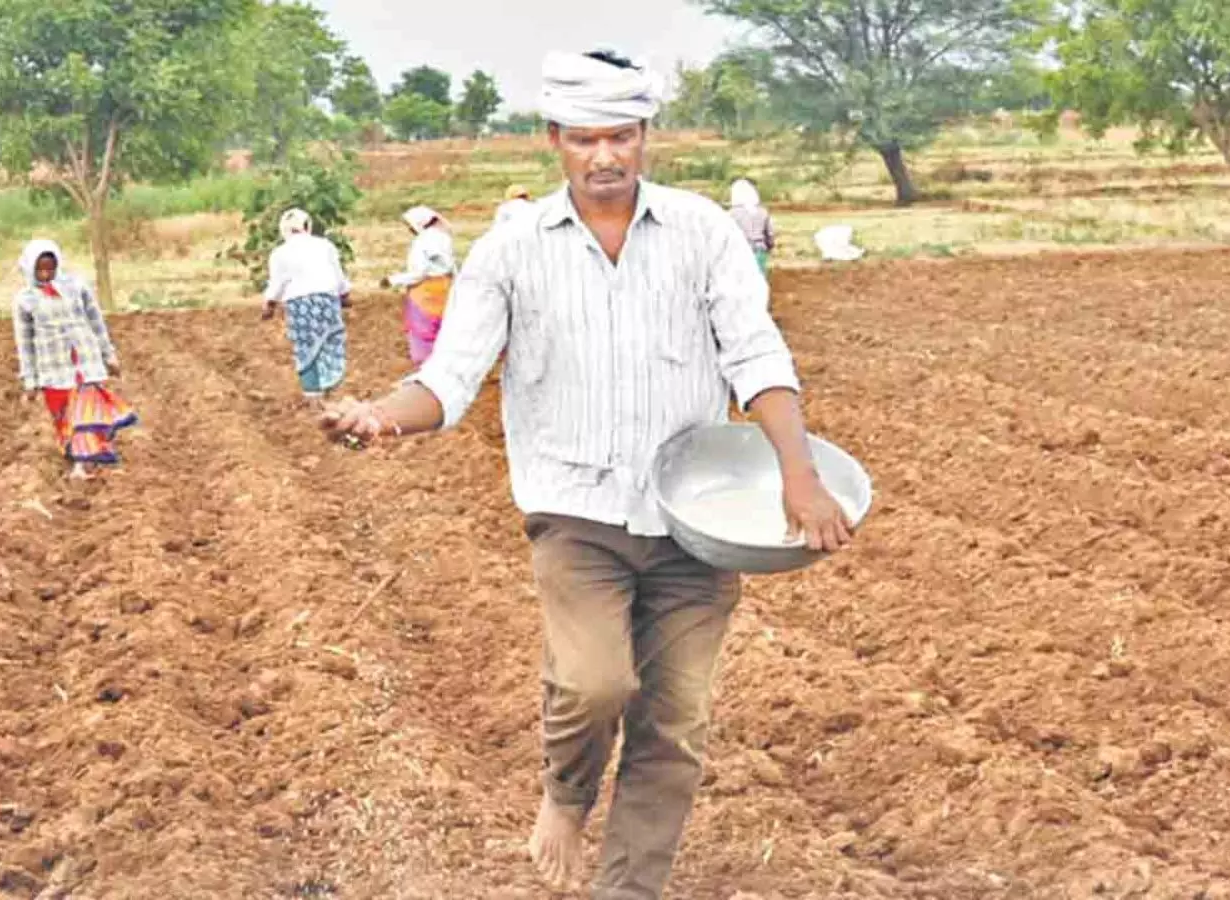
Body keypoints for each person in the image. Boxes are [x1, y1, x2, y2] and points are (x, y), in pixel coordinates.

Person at [321, 47, 853, 899]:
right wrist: (382, 415)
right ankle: (565, 797)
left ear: (647, 136)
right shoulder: (511, 249)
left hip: (695, 519)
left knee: (673, 723)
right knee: (595, 679)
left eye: (621, 136)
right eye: (582, 139)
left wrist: (799, 471)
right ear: (553, 140)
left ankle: (626, 890)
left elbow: (756, 355)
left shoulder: (703, 232)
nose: (604, 157)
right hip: (575, 514)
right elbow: (448, 378)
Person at [13, 239, 138, 480]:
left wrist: (108, 354)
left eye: (50, 268)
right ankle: (78, 455)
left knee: (85, 415)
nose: (46, 274)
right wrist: (30, 380)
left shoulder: (76, 287)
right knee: (64, 418)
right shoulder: (25, 300)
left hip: (85, 361)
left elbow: (96, 322)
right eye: (40, 270)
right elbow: (25, 342)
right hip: (53, 368)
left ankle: (83, 464)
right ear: (30, 269)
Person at [261, 207, 352, 406]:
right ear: (307, 226)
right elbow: (338, 275)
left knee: (305, 348)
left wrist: (269, 304)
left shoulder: (279, 253)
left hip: (299, 305)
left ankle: (313, 396)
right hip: (327, 300)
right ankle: (330, 389)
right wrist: (345, 295)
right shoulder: (325, 246)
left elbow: (277, 283)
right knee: (331, 341)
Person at [382, 205, 455, 365]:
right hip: (445, 289)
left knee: (424, 334)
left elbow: (418, 273)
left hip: (425, 293)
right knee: (444, 331)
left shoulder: (422, 242)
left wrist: (393, 280)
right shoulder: (444, 237)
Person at [728, 177, 776, 273]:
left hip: (739, 251)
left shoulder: (731, 214)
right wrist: (769, 246)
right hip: (759, 250)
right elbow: (770, 233)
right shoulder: (762, 211)